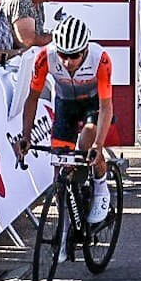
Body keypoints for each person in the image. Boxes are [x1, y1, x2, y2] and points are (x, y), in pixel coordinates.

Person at [15, 17, 116, 224]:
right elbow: (32, 98)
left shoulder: (100, 59)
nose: (67, 62)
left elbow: (106, 106)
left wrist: (98, 144)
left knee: (87, 141)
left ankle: (101, 186)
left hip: (93, 103)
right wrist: (26, 135)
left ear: (85, 50)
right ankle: (64, 227)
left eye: (74, 56)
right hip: (65, 104)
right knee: (59, 166)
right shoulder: (45, 56)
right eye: (63, 55)